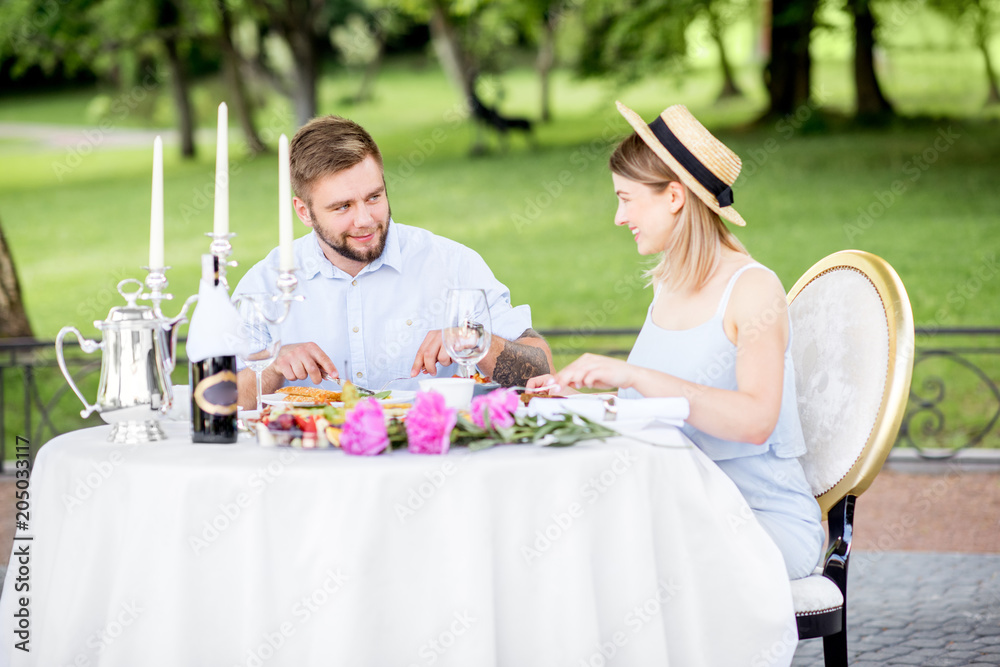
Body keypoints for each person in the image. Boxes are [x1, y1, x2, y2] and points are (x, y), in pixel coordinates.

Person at [527, 102, 824, 580]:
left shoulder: (752, 289)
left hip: (757, 521)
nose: (618, 217)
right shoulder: (669, 282)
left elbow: (755, 421)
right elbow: (658, 407)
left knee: (619, 566)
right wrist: (582, 398)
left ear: (673, 197)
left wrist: (635, 374)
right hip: (676, 506)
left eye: (626, 198)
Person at [234, 115, 552, 407]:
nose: (365, 220)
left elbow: (542, 369)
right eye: (342, 207)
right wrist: (272, 366)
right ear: (304, 211)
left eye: (374, 197)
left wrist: (476, 341)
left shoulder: (453, 265)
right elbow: (221, 402)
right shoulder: (264, 283)